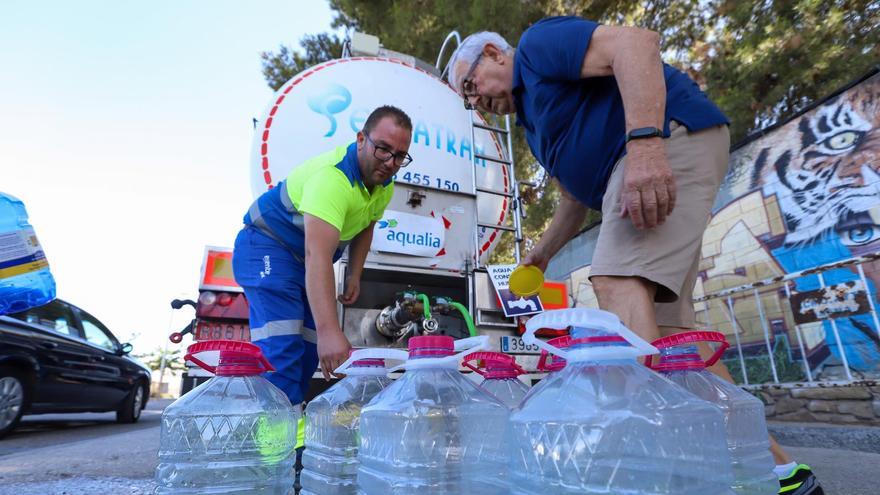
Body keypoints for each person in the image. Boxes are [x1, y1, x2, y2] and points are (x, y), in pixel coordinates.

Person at [447, 17, 822, 495]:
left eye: (471, 85)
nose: (475, 100)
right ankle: (775, 472)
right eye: (468, 99)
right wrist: (540, 255)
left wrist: (645, 146)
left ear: (496, 54)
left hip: (665, 140)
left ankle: (664, 470)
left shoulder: (538, 48)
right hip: (634, 165)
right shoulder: (534, 125)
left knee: (616, 281)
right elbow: (573, 200)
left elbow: (635, 43)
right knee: (672, 336)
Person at [232, 105, 413, 406]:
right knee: (283, 346)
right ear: (361, 139)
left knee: (306, 349)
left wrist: (355, 272)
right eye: (383, 149)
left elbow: (367, 222)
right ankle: (272, 444)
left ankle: (289, 435)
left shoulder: (383, 183)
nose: (390, 162)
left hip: (300, 259)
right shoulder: (333, 180)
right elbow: (318, 256)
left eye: (399, 156)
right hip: (267, 247)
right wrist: (331, 331)